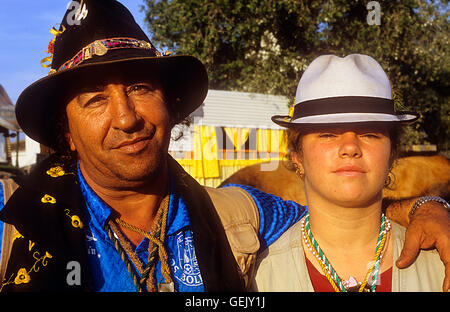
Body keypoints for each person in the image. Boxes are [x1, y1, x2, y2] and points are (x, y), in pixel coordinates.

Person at [0, 1, 449, 292]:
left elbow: (343, 208)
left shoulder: (239, 212)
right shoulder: (12, 230)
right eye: (95, 98)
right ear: (65, 132)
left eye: (139, 87)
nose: (126, 116)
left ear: (171, 107)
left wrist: (429, 207)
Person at [251, 54, 448, 292]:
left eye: (369, 134)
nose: (350, 148)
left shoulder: (440, 265)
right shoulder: (258, 278)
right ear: (297, 156)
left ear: (392, 154)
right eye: (327, 134)